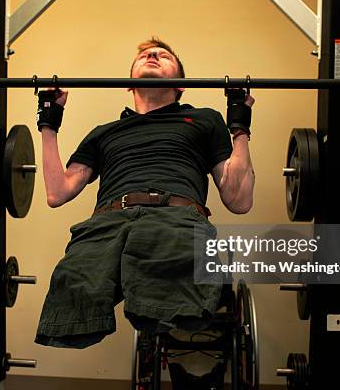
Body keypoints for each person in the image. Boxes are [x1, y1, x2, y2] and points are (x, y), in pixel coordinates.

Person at [34, 38, 255, 349]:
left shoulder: (203, 119)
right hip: (105, 225)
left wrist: (239, 125)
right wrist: (49, 120)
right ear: (128, 84)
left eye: (163, 56)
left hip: (174, 218)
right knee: (71, 297)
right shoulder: (104, 132)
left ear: (180, 86)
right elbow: (58, 192)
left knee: (176, 301)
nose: (152, 55)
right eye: (144, 55)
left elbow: (239, 199)